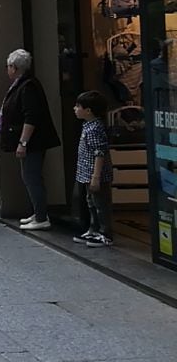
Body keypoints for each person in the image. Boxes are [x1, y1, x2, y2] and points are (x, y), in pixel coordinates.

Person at [0, 49, 61, 231]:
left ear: (15, 67)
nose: (7, 70)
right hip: (32, 141)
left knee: (32, 177)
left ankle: (41, 217)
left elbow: (31, 117)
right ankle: (38, 212)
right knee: (30, 176)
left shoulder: (28, 86)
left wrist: (23, 142)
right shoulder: (23, 84)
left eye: (8, 66)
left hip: (33, 142)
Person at [72, 91, 114, 247]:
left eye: (78, 106)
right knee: (91, 202)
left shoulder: (95, 128)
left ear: (88, 110)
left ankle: (105, 233)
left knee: (100, 203)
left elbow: (99, 152)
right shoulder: (88, 126)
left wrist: (96, 176)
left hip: (95, 174)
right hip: (86, 173)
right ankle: (94, 229)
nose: (75, 109)